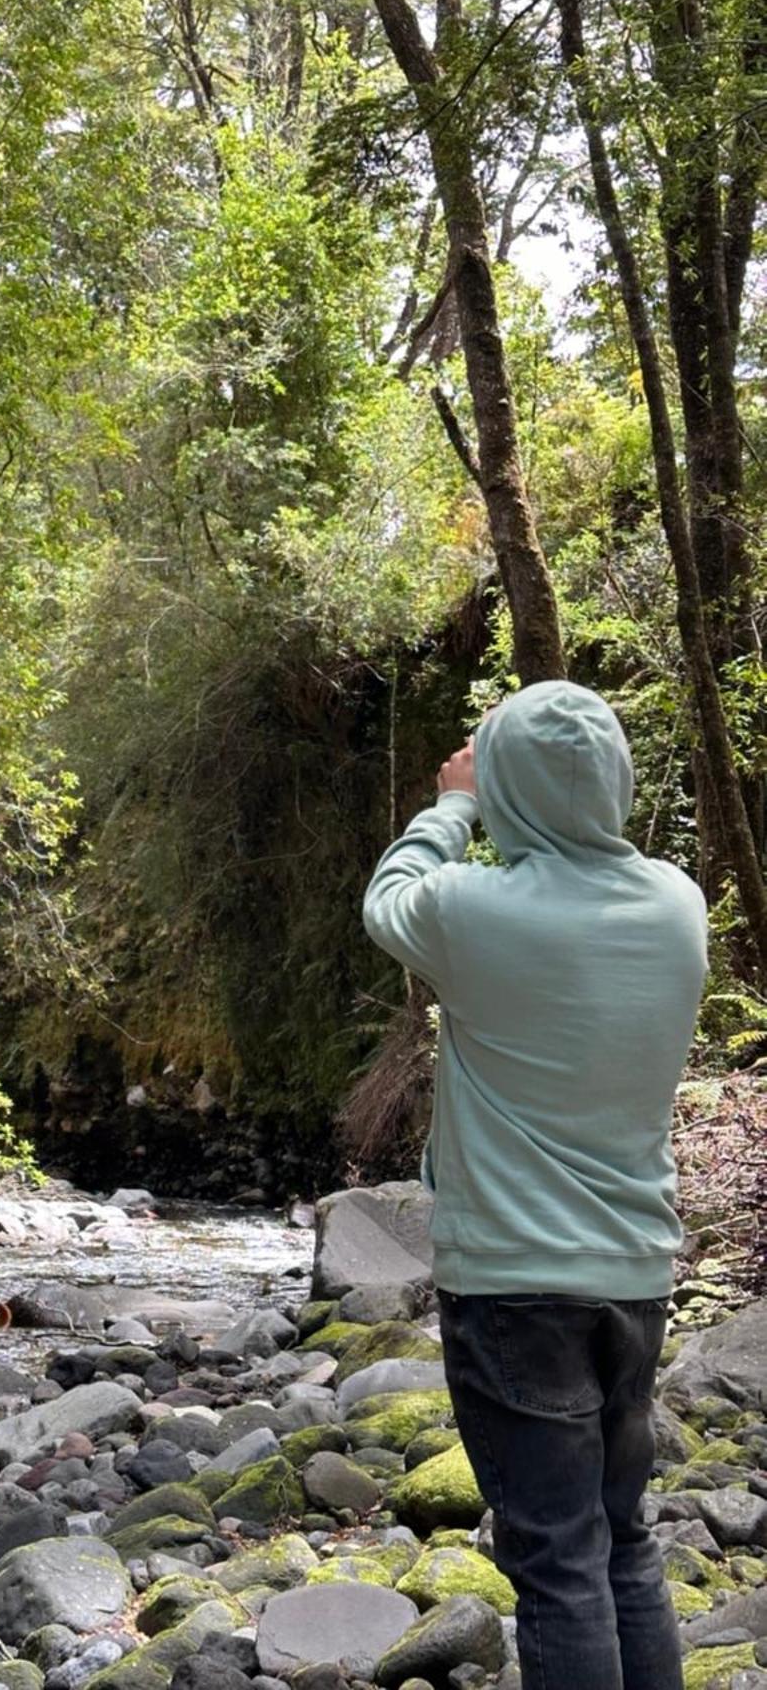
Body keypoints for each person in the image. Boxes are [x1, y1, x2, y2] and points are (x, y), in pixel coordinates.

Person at [363, 679, 707, 1690]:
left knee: (555, 1562)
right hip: (636, 1273)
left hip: (514, 1283)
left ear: (507, 790)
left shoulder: (472, 908)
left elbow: (388, 901)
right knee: (621, 1536)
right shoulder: (677, 901)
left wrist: (454, 802)